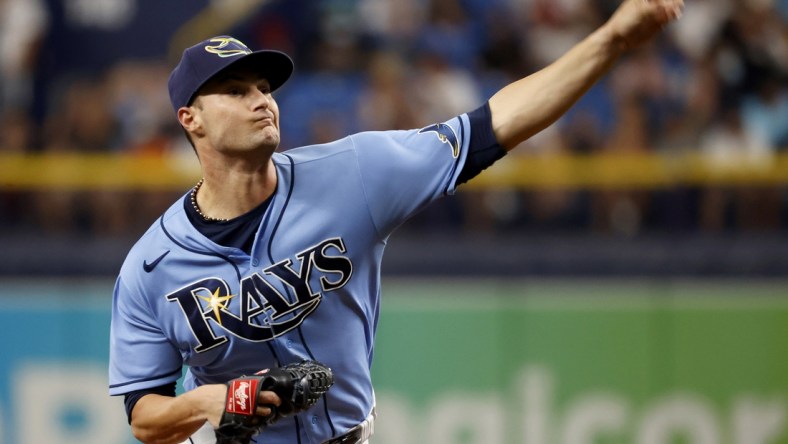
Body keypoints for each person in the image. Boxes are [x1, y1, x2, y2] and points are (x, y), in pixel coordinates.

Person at [108, 1, 684, 443]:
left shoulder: (354, 172)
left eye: (263, 87)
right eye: (235, 91)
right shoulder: (151, 267)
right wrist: (213, 403)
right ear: (191, 120)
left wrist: (611, 40)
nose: (262, 100)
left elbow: (496, 123)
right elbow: (145, 416)